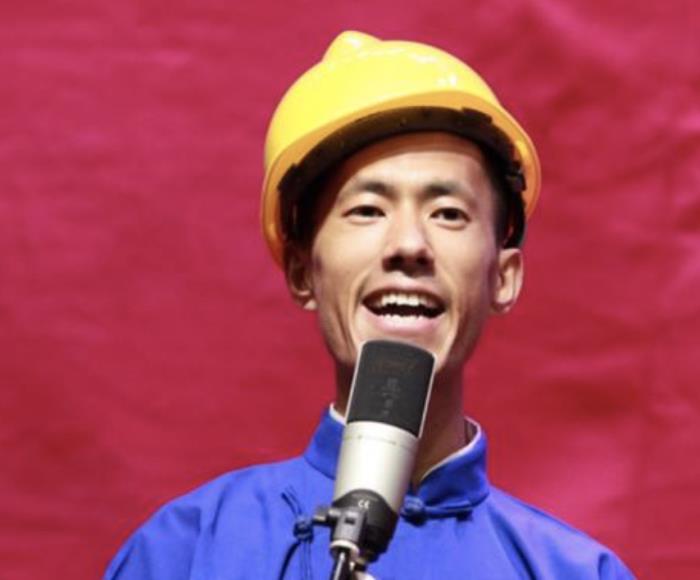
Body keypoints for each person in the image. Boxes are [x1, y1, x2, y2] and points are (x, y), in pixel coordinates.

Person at [105, 31, 634, 579]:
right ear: (302, 271)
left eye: (448, 213)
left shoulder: (574, 571)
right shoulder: (189, 550)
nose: (409, 244)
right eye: (367, 210)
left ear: (503, 277)